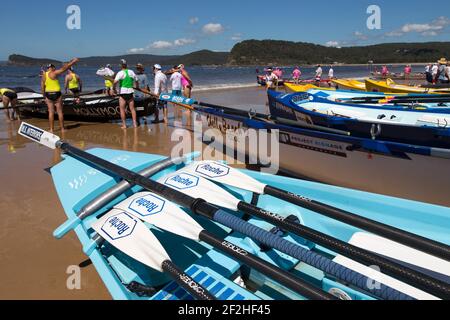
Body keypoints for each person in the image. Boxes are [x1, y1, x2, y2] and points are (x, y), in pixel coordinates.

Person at [41, 58, 79, 132]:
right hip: (57, 94)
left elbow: (42, 86)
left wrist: (44, 96)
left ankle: (51, 129)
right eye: (54, 68)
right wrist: (72, 62)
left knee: (51, 112)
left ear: (47, 68)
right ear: (52, 68)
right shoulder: (54, 73)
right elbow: (64, 68)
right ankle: (62, 129)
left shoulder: (44, 75)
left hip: (48, 94)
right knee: (60, 112)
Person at [113, 59, 138, 129]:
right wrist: (137, 86)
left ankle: (124, 125)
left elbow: (115, 82)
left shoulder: (120, 73)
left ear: (121, 65)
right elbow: (136, 80)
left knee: (122, 109)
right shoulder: (131, 72)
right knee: (132, 109)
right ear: (126, 65)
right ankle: (135, 124)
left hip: (123, 93)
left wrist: (113, 88)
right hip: (130, 92)